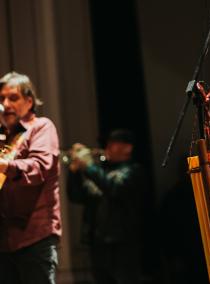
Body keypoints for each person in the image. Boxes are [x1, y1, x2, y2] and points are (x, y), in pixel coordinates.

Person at [0, 71, 61, 284]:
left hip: (35, 237)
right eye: (1, 99)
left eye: (13, 98)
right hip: (4, 241)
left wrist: (5, 165)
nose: (6, 104)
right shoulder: (2, 135)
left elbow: (40, 167)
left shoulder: (41, 127)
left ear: (29, 101)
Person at [66, 128, 145, 284]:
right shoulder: (101, 171)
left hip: (123, 245)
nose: (107, 147)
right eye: (107, 144)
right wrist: (74, 172)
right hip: (98, 245)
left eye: (113, 144)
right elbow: (77, 196)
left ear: (128, 148)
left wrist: (88, 166)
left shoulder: (134, 171)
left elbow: (114, 188)